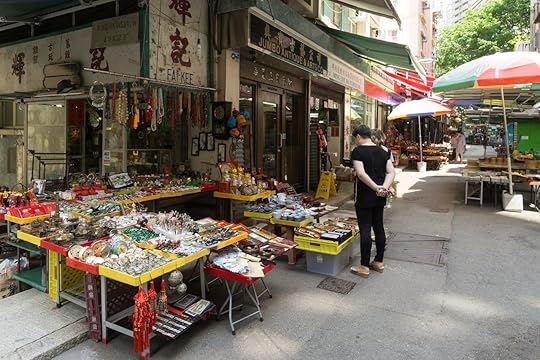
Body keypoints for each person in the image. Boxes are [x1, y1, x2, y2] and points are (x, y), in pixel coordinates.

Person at [350, 125, 396, 278]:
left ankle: (364, 266)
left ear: (358, 137)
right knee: (378, 227)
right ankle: (378, 262)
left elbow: (361, 174)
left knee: (365, 229)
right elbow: (391, 172)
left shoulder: (358, 151)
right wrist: (383, 187)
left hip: (364, 196)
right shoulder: (383, 151)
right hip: (380, 196)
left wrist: (376, 187)